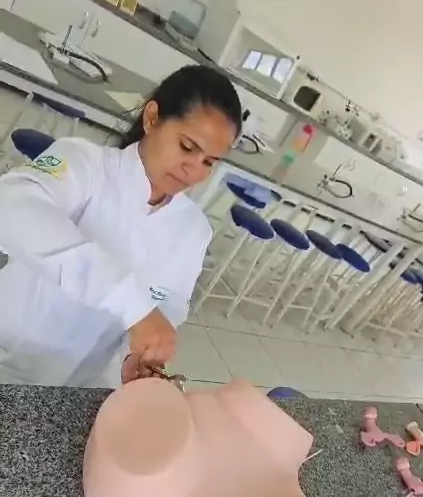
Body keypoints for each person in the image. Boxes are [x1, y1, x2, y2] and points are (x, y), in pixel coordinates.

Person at [0, 64, 242, 386]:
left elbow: (169, 304)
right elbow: (11, 206)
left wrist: (138, 354)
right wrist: (131, 302)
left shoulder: (193, 230)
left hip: (80, 381)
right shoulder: (86, 164)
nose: (194, 170)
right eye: (187, 147)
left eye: (209, 162)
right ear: (152, 118)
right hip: (8, 354)